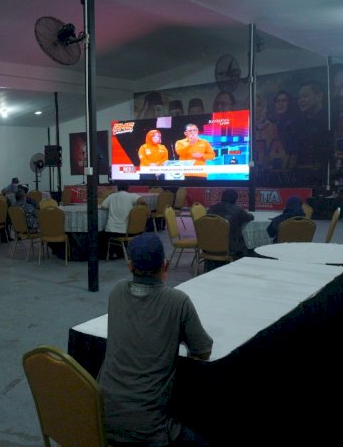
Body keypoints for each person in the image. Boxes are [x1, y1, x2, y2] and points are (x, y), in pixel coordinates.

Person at [98, 233, 213, 446]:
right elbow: (203, 350)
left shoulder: (116, 292)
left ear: (130, 267)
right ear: (165, 265)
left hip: (101, 415)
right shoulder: (177, 301)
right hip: (149, 428)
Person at [100, 182, 146, 259]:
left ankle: (113, 253)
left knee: (104, 234)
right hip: (127, 231)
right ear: (128, 188)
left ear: (117, 188)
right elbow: (142, 200)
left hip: (112, 230)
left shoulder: (111, 196)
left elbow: (103, 206)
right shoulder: (131, 196)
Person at [207, 189, 254, 260]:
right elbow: (250, 217)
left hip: (209, 246)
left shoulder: (211, 209)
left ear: (222, 197)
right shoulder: (238, 210)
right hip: (231, 247)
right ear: (235, 199)